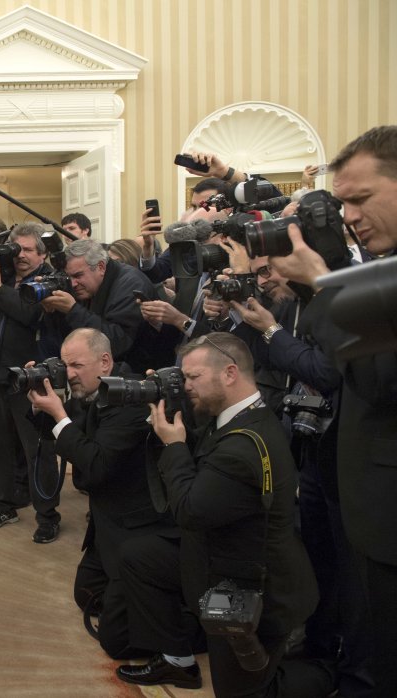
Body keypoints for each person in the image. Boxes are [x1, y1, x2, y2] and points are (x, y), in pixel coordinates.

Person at [118, 332, 334, 696]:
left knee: (241, 693)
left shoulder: (242, 447)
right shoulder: (241, 416)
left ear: (230, 373)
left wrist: (173, 446)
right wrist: (169, 404)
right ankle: (177, 658)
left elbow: (189, 510)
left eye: (192, 377)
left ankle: (329, 675)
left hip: (253, 589)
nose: (186, 385)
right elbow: (205, 451)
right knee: (141, 557)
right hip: (220, 557)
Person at [269, 125, 397, 698]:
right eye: (342, 203)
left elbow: (378, 378)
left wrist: (323, 285)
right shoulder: (383, 265)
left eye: (361, 198)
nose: (350, 217)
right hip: (369, 506)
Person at [27, 328, 176, 658]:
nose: (69, 374)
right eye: (66, 365)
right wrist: (41, 404)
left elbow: (96, 465)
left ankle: (173, 621)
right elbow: (65, 433)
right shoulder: (94, 391)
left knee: (116, 638)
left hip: (137, 529)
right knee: (86, 594)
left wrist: (59, 415)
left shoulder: (130, 399)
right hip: (108, 523)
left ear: (105, 362)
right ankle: (134, 600)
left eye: (77, 365)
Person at [0, 222, 62, 543]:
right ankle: (3, 504)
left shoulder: (49, 280)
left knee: (38, 451)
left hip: (29, 379)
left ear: (42, 253)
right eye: (17, 249)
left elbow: (27, 314)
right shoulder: (2, 279)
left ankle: (47, 515)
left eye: (28, 250)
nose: (21, 256)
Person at [39, 238, 158, 373]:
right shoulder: (88, 286)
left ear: (101, 267)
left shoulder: (131, 284)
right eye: (68, 277)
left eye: (78, 275)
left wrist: (73, 310)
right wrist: (54, 311)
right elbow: (66, 338)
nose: (73, 284)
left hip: (139, 373)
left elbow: (117, 343)